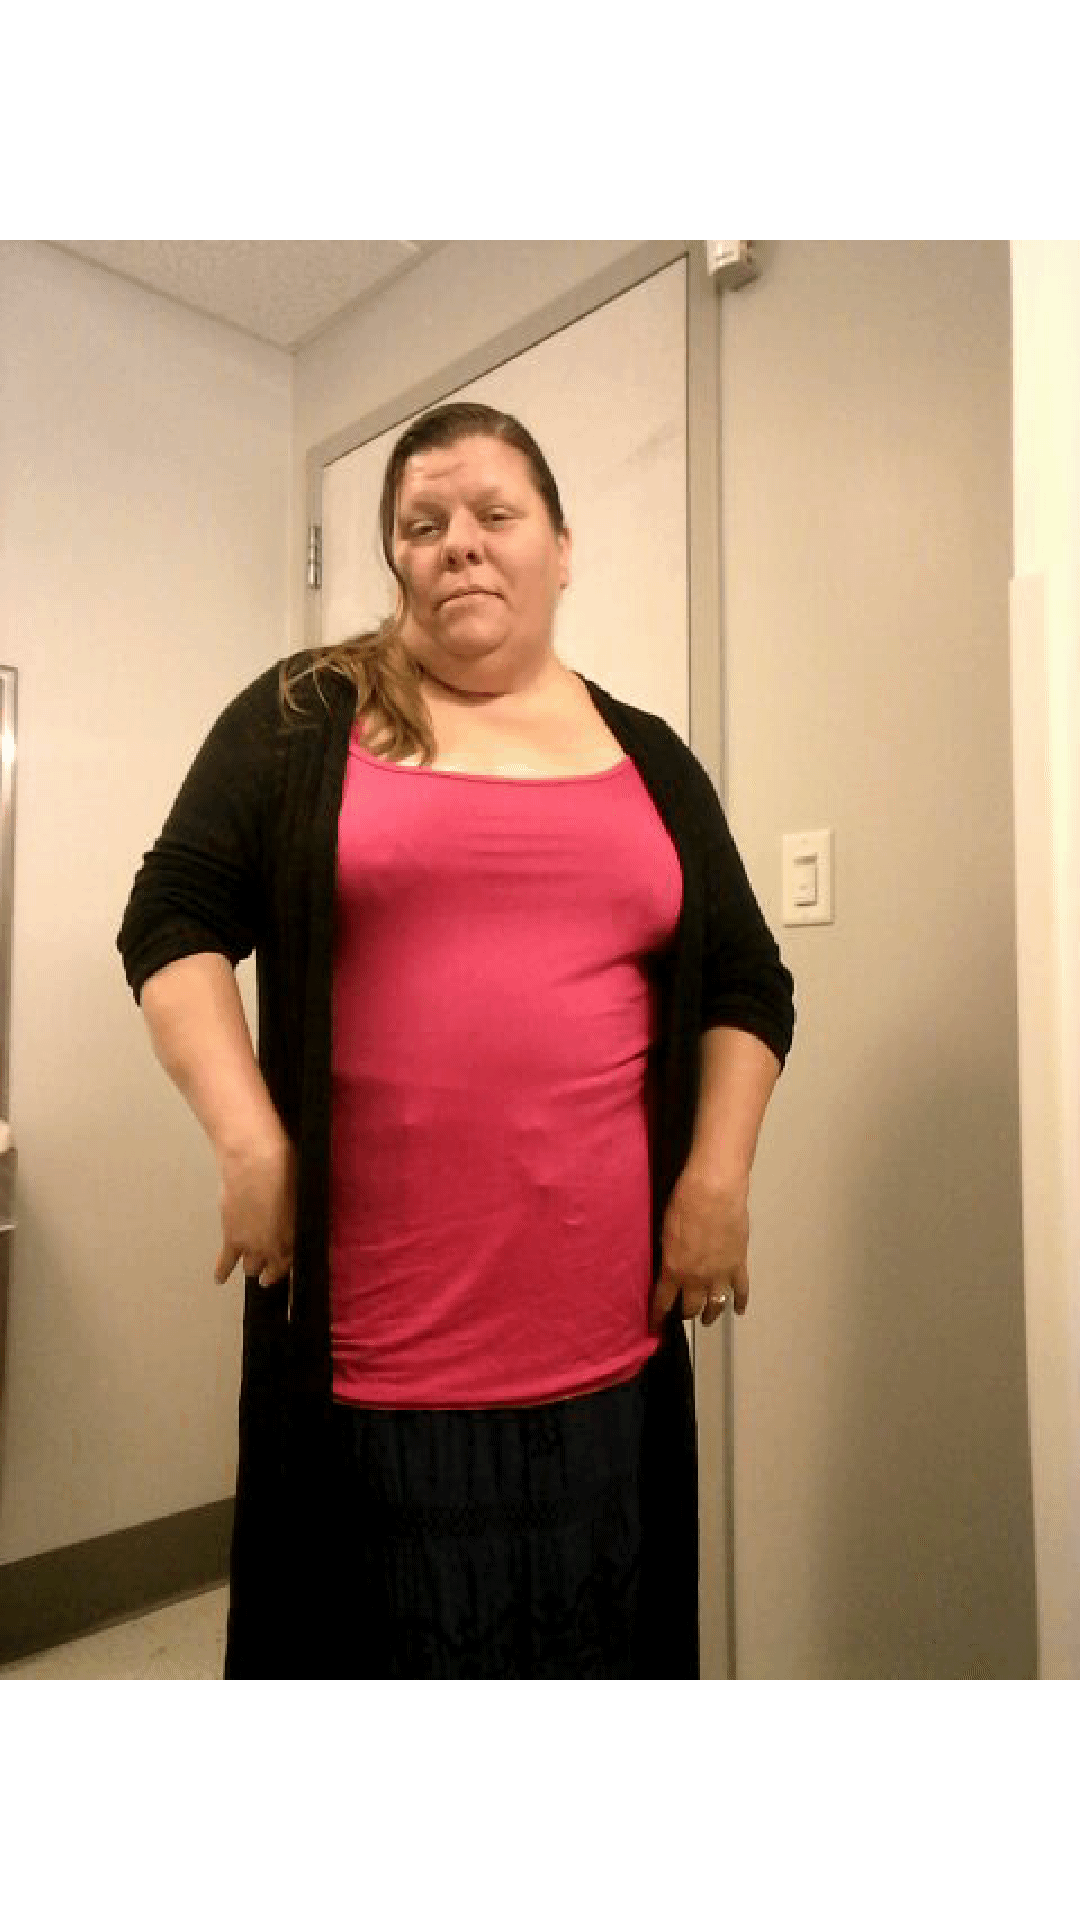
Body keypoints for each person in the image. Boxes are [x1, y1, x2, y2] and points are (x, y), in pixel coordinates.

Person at [117, 399, 795, 1681]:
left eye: (495, 513)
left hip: (607, 1353)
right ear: (397, 563)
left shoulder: (650, 757)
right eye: (423, 525)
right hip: (376, 1364)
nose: (459, 544)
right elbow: (171, 917)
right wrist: (250, 1140)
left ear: (562, 547)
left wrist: (718, 1180)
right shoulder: (306, 714)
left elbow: (749, 986)